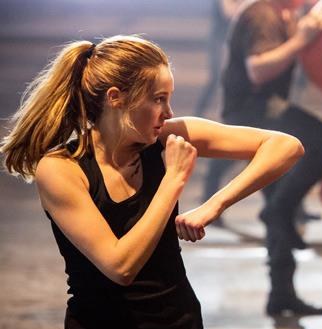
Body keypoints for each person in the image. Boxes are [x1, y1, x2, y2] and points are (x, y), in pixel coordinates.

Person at [0, 35, 304, 329]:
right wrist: (173, 179)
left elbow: (286, 147)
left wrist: (215, 205)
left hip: (180, 319)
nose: (169, 112)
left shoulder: (166, 137)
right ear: (115, 98)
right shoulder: (61, 169)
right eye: (159, 99)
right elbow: (121, 267)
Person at [221, 0, 322, 316]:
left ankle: (281, 294)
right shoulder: (262, 14)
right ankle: (280, 210)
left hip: (263, 112)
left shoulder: (282, 13)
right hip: (253, 114)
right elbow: (257, 70)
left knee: (279, 201)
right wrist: (301, 39)